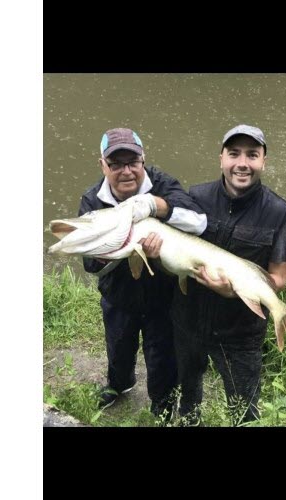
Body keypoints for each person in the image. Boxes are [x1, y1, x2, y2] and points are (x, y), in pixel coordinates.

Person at [171, 124, 286, 425]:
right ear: (221, 159)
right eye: (234, 154)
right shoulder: (196, 196)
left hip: (240, 333)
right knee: (188, 395)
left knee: (244, 410)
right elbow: (174, 250)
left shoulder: (279, 213)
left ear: (263, 161)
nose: (242, 163)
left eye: (252, 155)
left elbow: (278, 278)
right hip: (187, 320)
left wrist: (232, 291)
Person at [78, 127, 206, 419]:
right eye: (115, 164)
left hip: (163, 297)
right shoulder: (92, 201)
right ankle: (119, 385)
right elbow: (90, 263)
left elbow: (198, 221)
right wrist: (108, 250)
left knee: (162, 357)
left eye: (132, 162)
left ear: (143, 160)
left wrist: (155, 206)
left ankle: (161, 407)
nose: (126, 171)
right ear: (103, 165)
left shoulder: (162, 184)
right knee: (118, 348)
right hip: (118, 297)